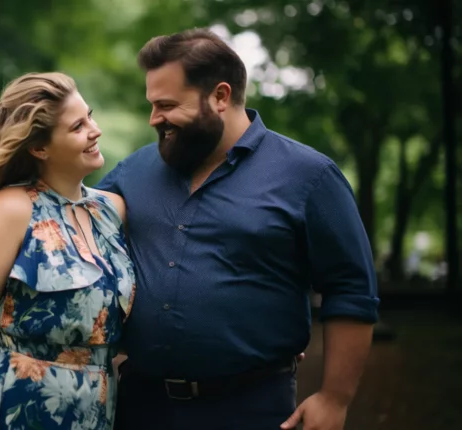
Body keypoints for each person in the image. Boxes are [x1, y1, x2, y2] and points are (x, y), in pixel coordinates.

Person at [95, 28, 379, 430]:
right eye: (152, 105)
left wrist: (335, 398)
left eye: (166, 105)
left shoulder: (310, 177)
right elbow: (75, 236)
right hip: (139, 405)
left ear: (220, 96)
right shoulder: (133, 172)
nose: (154, 118)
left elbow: (351, 289)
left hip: (251, 408)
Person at [0, 72, 136, 430]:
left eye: (90, 115)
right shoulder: (10, 211)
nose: (95, 130)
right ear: (40, 148)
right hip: (14, 407)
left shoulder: (112, 211)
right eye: (77, 127)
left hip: (94, 413)